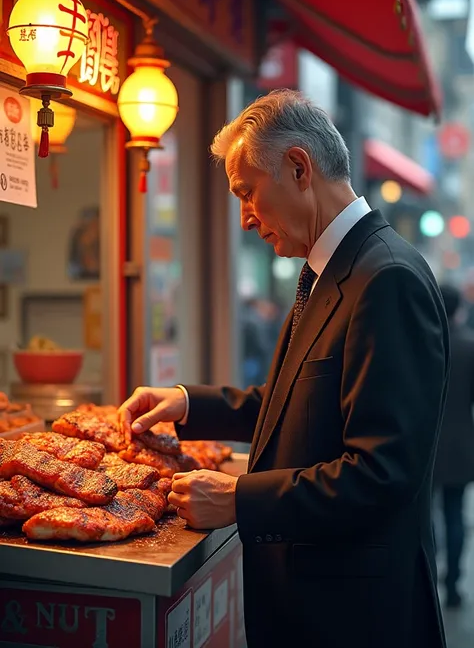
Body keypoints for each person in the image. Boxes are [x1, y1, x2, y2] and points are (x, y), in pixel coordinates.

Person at [119, 90, 450, 648]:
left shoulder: (385, 277)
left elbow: (382, 475)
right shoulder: (331, 269)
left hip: (355, 618)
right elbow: (294, 403)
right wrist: (189, 402)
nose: (246, 219)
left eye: (247, 193)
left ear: (299, 167)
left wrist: (238, 498)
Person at [434, 283, 474, 608]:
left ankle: (429, 576)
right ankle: (454, 586)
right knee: (455, 515)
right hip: (461, 447)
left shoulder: (424, 342)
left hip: (426, 446)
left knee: (425, 515)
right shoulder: (470, 346)